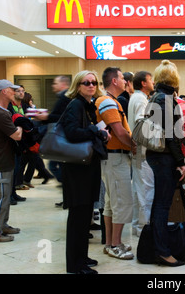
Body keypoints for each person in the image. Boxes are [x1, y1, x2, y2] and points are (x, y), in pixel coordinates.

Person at [60, 70, 110, 274]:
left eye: (93, 82)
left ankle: (81, 256)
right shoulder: (76, 104)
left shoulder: (88, 105)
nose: (91, 85)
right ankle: (75, 264)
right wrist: (96, 131)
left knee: (84, 215)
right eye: (86, 82)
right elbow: (71, 132)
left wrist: (99, 134)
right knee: (78, 217)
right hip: (77, 169)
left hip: (85, 167)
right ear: (77, 86)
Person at [145, 60, 185, 267]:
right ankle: (162, 251)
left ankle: (160, 249)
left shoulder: (157, 96)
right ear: (174, 79)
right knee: (162, 205)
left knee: (159, 204)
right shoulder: (166, 99)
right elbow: (171, 135)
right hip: (164, 156)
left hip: (157, 155)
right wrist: (181, 162)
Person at [96, 67, 135, 260]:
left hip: (113, 158)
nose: (125, 81)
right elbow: (119, 132)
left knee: (112, 203)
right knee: (122, 201)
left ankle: (111, 243)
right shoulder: (107, 102)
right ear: (114, 81)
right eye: (122, 78)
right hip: (115, 157)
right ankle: (115, 244)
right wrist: (134, 146)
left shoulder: (110, 102)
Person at [0, 79, 23, 242]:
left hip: (5, 159)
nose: (14, 92)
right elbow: (17, 135)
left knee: (6, 195)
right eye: (11, 89)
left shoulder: (2, 111)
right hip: (0, 161)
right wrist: (21, 126)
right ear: (3, 92)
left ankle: (3, 225)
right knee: (0, 196)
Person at [128, 71, 155, 237]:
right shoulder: (140, 99)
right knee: (146, 191)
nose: (153, 82)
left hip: (139, 151)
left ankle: (138, 227)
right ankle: (144, 228)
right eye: (150, 80)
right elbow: (141, 123)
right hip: (142, 152)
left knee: (139, 190)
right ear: (143, 83)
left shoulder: (136, 98)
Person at [35, 75, 72, 188]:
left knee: (54, 165)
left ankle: (67, 185)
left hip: (61, 138)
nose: (53, 86)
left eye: (55, 83)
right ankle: (66, 186)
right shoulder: (64, 97)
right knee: (55, 164)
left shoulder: (65, 98)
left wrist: (47, 117)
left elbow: (62, 117)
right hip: (61, 138)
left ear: (62, 84)